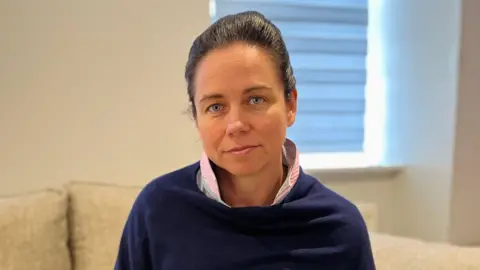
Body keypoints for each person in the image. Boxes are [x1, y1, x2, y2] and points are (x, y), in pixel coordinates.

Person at [115, 11, 375, 270]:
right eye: (215, 107)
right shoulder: (158, 209)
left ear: (290, 105)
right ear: (196, 118)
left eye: (255, 100)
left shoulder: (339, 228)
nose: (236, 125)